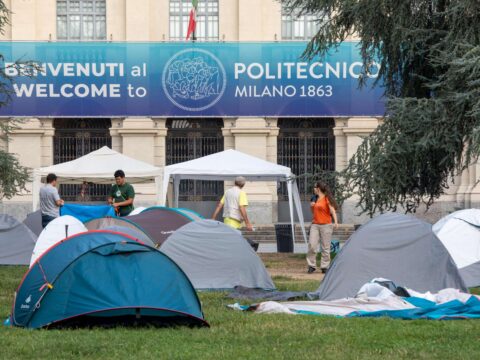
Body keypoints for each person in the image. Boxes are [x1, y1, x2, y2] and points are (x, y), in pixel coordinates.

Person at [307, 181, 339, 274]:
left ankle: (324, 266)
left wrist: (336, 222)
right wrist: (312, 206)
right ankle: (311, 266)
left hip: (326, 225)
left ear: (318, 188)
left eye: (314, 187)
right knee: (312, 245)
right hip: (315, 225)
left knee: (325, 247)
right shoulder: (314, 198)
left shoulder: (326, 199)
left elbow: (332, 211)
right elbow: (314, 213)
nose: (313, 189)